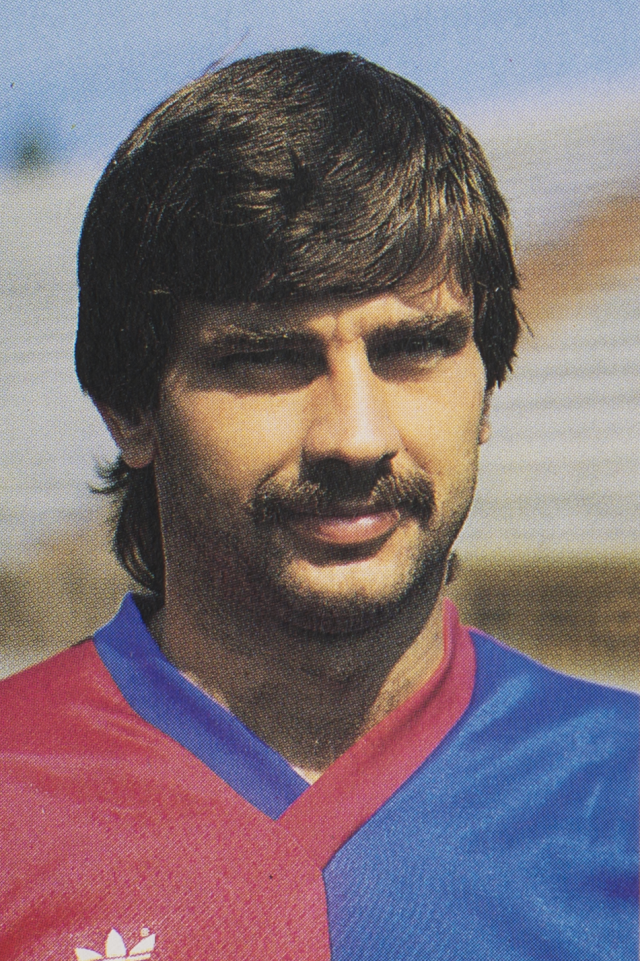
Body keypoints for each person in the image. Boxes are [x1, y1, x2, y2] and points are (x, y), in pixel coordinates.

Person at [0, 49, 637, 961]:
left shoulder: (619, 792)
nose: (356, 435)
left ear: (487, 388)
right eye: (267, 358)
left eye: (413, 348)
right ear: (130, 407)